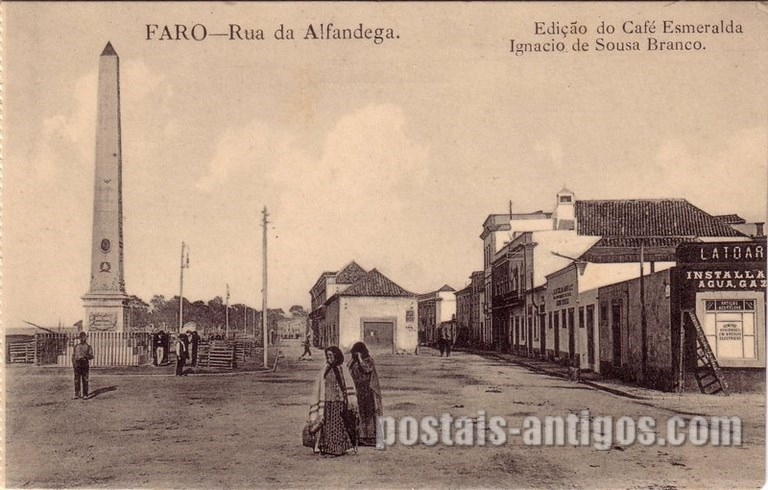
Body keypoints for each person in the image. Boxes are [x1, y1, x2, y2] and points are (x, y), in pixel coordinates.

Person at [307, 346, 358, 456]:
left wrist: (348, 400)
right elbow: (320, 385)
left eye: (331, 355)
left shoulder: (342, 368)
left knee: (337, 425)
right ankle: (327, 448)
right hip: (327, 401)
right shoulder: (325, 368)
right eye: (327, 355)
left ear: (336, 355)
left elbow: (347, 384)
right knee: (327, 425)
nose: (328, 357)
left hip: (338, 401)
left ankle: (337, 449)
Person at [348, 342, 383, 447]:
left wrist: (360, 359)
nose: (355, 354)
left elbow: (367, 369)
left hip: (367, 390)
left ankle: (370, 437)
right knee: (359, 412)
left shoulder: (369, 360)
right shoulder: (352, 362)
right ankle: (360, 437)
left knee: (368, 413)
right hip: (357, 390)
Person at [72, 331, 94, 399]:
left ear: (85, 338)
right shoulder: (76, 346)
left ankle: (85, 394)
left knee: (85, 379)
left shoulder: (88, 347)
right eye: (81, 338)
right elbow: (73, 356)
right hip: (77, 364)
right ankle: (77, 394)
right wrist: (74, 363)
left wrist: (85, 356)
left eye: (83, 337)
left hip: (84, 364)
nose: (82, 339)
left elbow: (91, 356)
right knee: (76, 380)